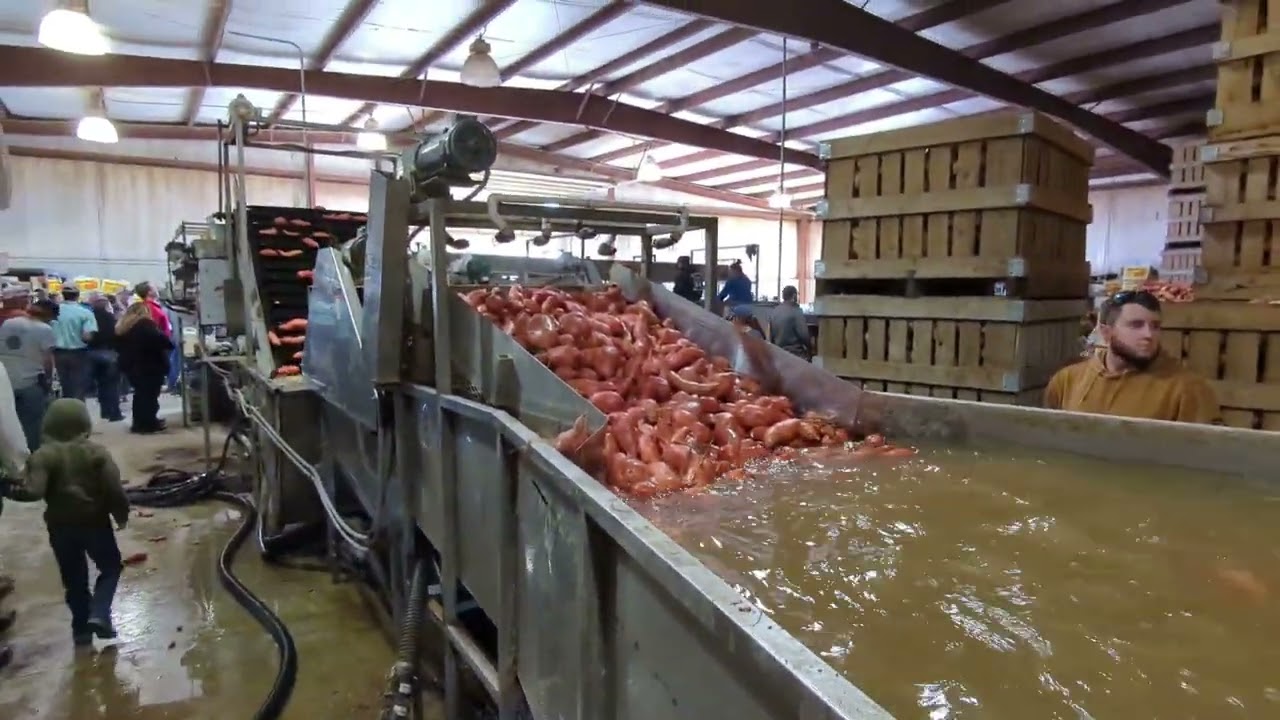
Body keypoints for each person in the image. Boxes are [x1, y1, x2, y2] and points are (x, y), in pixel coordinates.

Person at [1, 398, 128, 646]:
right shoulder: (97, 453)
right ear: (84, 423)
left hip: (60, 528)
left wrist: (8, 489)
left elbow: (34, 492)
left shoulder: (43, 456)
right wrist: (120, 513)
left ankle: (81, 631)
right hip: (95, 524)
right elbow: (114, 489)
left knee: (75, 580)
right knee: (111, 567)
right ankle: (100, 613)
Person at [1043, 290, 1221, 423]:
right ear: (1106, 333)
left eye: (1155, 326)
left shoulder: (1188, 390)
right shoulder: (1067, 380)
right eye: (1136, 325)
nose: (1149, 334)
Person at [0, 299, 59, 452]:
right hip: (31, 382)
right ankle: (32, 458)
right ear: (48, 315)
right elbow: (47, 360)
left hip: (5, 382)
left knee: (8, 424)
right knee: (32, 425)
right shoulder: (45, 329)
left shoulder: (8, 323)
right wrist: (48, 380)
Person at [115, 303, 173, 434]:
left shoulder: (124, 326)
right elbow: (162, 340)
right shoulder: (145, 324)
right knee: (150, 396)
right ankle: (148, 424)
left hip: (131, 366)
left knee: (140, 395)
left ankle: (138, 423)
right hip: (149, 365)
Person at [50, 288, 98, 401]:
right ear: (77, 296)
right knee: (78, 387)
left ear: (63, 295)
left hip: (57, 353)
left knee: (62, 386)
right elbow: (87, 336)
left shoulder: (54, 311)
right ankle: (77, 412)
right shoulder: (85, 313)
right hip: (78, 354)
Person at [86, 294, 124, 422]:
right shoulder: (110, 318)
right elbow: (117, 335)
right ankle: (114, 413)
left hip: (91, 353)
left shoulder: (89, 317)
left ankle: (105, 411)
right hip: (108, 352)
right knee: (112, 384)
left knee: (100, 384)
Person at [768, 285, 814, 360]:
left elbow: (770, 337)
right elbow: (804, 335)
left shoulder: (774, 312)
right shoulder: (796, 311)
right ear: (794, 296)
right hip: (795, 354)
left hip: (779, 354)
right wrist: (810, 350)